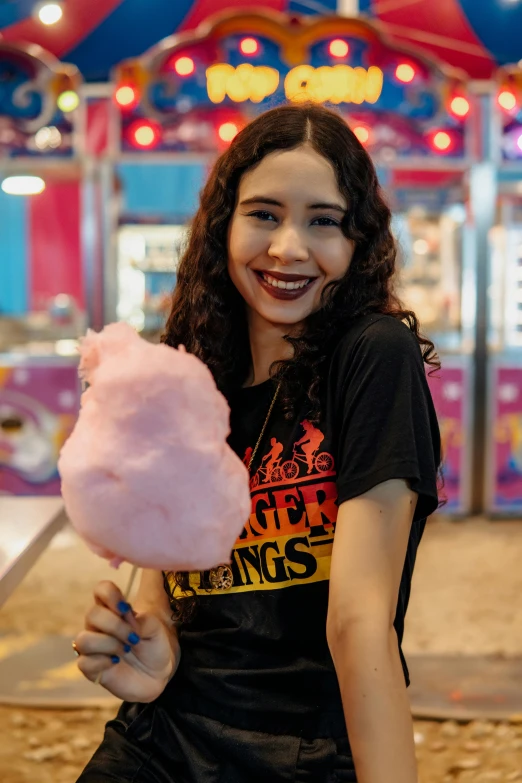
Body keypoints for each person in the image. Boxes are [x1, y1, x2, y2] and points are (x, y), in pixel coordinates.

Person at [73, 103, 441, 783]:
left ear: (357, 239)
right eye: (265, 214)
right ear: (224, 226)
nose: (289, 247)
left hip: (301, 748)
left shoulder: (372, 355)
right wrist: (149, 641)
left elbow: (359, 623)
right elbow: (162, 581)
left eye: (322, 220)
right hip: (163, 734)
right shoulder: (185, 371)